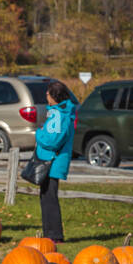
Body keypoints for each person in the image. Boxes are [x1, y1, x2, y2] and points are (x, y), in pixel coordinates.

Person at [34, 80, 77, 242]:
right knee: (45, 197)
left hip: (52, 162)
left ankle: (55, 235)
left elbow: (54, 140)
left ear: (54, 96)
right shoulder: (56, 112)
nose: (46, 95)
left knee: (50, 198)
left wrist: (39, 134)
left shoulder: (60, 114)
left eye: (48, 93)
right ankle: (49, 234)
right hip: (50, 162)